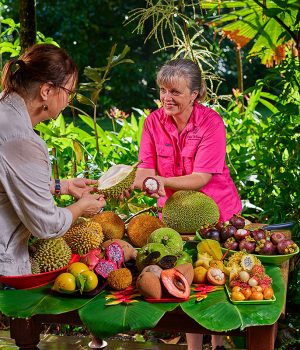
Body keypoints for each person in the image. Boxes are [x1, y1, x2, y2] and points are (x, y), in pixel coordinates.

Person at [133, 58, 243, 350]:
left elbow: (201, 177)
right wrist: (138, 183)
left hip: (218, 214)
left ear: (195, 93)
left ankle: (218, 343)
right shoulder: (153, 122)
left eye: (175, 92)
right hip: (174, 219)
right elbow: (145, 167)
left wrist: (160, 180)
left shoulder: (211, 123)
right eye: (162, 90)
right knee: (186, 279)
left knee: (215, 281)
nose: (166, 98)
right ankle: (193, 347)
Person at [0, 43, 106, 277]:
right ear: (47, 91)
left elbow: (7, 182)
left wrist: (63, 186)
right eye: (69, 92)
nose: (69, 100)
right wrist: (82, 206)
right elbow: (47, 225)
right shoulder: (21, 139)